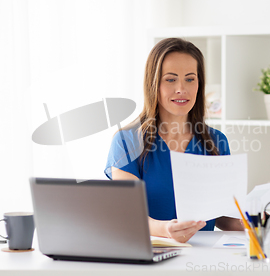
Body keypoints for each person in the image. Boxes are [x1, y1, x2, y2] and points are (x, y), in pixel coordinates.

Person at [104, 38, 243, 243]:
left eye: (190, 79)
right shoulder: (126, 141)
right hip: (150, 255)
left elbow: (221, 216)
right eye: (170, 79)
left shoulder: (216, 141)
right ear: (154, 83)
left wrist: (253, 221)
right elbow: (129, 214)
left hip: (203, 261)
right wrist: (166, 229)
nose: (181, 89)